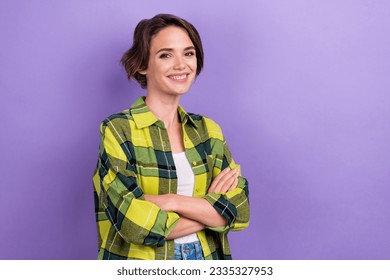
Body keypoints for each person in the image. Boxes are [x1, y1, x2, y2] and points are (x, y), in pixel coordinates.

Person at [92, 14, 249, 260]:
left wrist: (171, 201)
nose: (181, 64)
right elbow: (133, 223)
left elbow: (239, 209)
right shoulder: (118, 129)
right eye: (166, 54)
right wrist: (211, 210)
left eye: (188, 53)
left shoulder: (209, 130)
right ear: (143, 64)